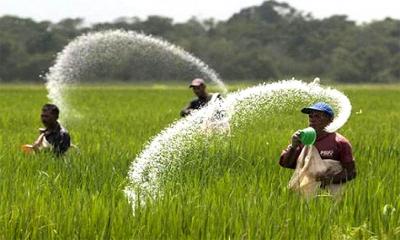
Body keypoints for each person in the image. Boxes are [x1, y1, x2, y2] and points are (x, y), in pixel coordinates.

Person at [279, 102, 356, 187]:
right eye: (310, 116)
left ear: (330, 120)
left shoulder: (340, 143)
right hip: (305, 192)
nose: (312, 119)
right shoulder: (304, 140)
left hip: (331, 194)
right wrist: (293, 146)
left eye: (317, 116)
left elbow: (351, 173)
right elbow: (286, 164)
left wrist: (329, 180)